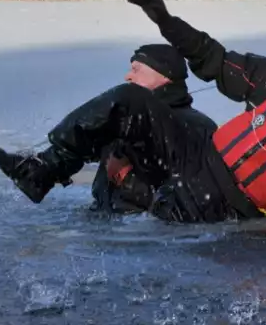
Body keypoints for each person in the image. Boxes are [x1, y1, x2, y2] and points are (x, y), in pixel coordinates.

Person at [0, 0, 266, 225]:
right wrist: (167, 22)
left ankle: (137, 197)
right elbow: (211, 58)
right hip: (198, 155)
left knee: (160, 223)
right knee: (127, 102)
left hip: (225, 204)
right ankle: (42, 170)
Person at [90, 44, 218, 214]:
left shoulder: (193, 126)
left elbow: (190, 197)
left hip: (151, 233)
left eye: (136, 70)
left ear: (164, 76)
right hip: (116, 226)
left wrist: (123, 178)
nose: (127, 76)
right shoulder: (131, 121)